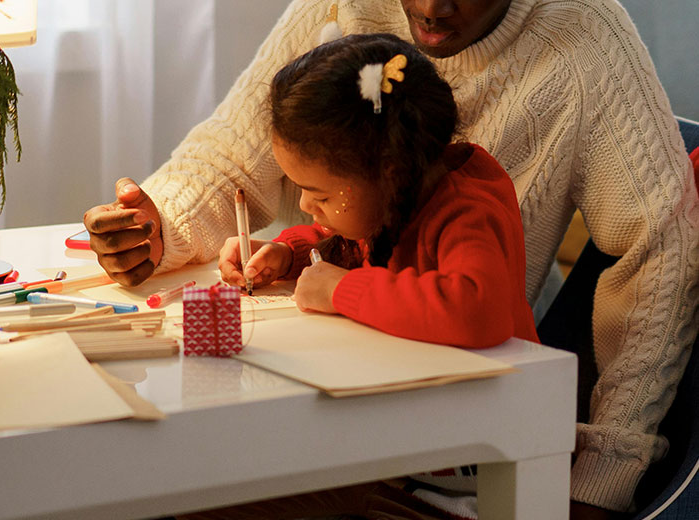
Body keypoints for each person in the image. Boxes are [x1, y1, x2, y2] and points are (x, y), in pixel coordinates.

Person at [85, 0, 699, 519]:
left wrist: (599, 475)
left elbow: (662, 253)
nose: (430, 6)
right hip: (327, 391)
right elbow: (231, 158)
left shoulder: (583, 42)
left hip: (450, 424)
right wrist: (160, 222)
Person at [231, 32, 539, 350]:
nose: (306, 204)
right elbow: (350, 242)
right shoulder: (382, 198)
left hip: (494, 392)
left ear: (389, 173)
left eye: (321, 196)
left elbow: (479, 313)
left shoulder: (466, 213)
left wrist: (341, 289)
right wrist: (287, 255)